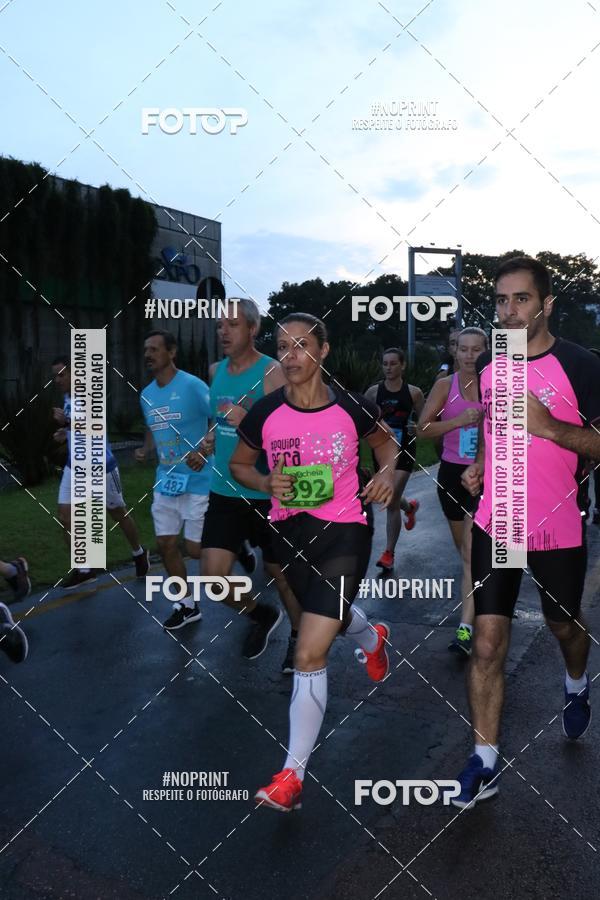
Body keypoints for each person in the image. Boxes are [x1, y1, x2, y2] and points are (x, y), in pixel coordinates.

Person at [230, 312, 398, 811]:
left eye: (302, 345)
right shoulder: (264, 413)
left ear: (323, 351)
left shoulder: (352, 407)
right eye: (283, 346)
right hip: (289, 535)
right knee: (330, 619)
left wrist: (387, 475)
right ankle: (372, 636)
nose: (291, 355)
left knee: (308, 650)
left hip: (345, 532)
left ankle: (291, 775)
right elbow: (239, 464)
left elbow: (387, 444)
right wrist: (263, 483)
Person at [452, 256, 600, 808]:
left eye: (520, 299)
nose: (508, 311)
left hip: (558, 526)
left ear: (546, 304)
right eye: (500, 301)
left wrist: (551, 428)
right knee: (487, 643)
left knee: (565, 628)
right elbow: (493, 428)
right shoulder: (491, 366)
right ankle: (484, 761)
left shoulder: (582, 366)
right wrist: (483, 467)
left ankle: (577, 681)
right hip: (499, 520)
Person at [187, 298, 302, 669]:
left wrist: (250, 416)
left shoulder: (271, 371)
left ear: (252, 330)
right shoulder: (215, 370)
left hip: (265, 489)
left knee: (280, 574)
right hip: (224, 489)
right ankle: (260, 614)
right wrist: (205, 447)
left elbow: (294, 429)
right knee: (212, 577)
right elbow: (219, 422)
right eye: (220, 325)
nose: (223, 331)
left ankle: (300, 640)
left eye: (232, 325)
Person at [417, 327, 488, 657]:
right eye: (464, 349)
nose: (470, 355)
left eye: (476, 349)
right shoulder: (446, 385)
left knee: (471, 554)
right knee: (468, 554)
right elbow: (423, 429)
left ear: (486, 350)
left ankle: (466, 627)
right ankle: (488, 597)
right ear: (455, 352)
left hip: (486, 474)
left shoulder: (495, 383)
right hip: (450, 475)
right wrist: (458, 422)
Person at [136, 330, 212, 630]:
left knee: (195, 550)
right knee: (166, 544)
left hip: (197, 478)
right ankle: (187, 605)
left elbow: (221, 419)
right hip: (165, 480)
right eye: (146, 349)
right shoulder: (146, 394)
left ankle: (237, 542)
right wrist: (145, 448)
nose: (148, 354)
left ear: (172, 352)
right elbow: (153, 427)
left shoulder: (193, 386)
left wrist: (205, 449)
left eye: (154, 349)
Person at [52, 357, 149, 589]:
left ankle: (138, 553)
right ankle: (85, 568)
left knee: (117, 512)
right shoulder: (67, 398)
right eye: (55, 376)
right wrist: (65, 433)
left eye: (62, 374)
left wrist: (66, 421)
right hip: (74, 467)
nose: (57, 380)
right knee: (65, 516)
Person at [364, 348, 424, 573]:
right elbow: (364, 420)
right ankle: (409, 508)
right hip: (381, 452)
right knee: (394, 496)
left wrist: (417, 427)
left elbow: (426, 420)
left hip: (405, 450)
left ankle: (388, 552)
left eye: (393, 363)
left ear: (402, 366)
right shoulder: (373, 392)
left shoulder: (414, 393)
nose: (388, 368)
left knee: (389, 499)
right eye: (385, 364)